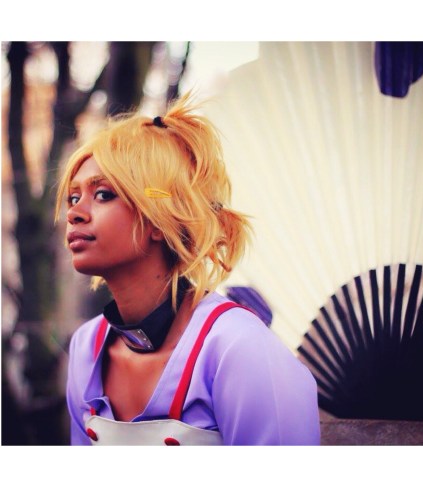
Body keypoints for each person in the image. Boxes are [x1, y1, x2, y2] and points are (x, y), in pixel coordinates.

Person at [55, 93, 321, 446]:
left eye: (103, 194)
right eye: (73, 198)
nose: (74, 213)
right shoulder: (86, 347)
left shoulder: (239, 348)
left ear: (158, 219)